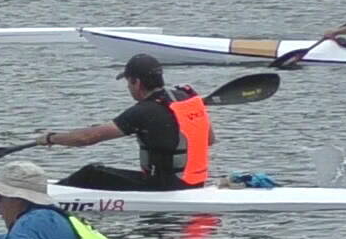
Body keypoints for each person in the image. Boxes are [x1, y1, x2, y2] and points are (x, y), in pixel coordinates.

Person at [35, 53, 214, 192]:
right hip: (195, 182)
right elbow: (210, 140)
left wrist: (51, 138)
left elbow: (87, 138)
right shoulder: (187, 98)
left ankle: (53, 195)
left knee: (91, 174)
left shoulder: (145, 110)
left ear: (136, 82)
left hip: (165, 188)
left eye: (128, 82)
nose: (128, 88)